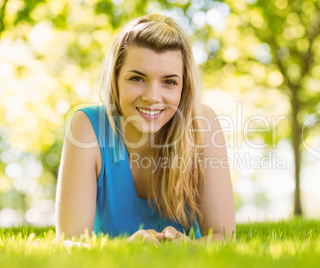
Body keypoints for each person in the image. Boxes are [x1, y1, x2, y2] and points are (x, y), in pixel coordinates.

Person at [55, 14, 236, 244]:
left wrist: (188, 248)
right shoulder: (87, 128)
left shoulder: (202, 124)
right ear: (116, 79)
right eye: (137, 78)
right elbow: (69, 242)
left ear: (184, 87)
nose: (152, 97)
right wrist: (124, 250)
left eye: (169, 82)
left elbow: (224, 238)